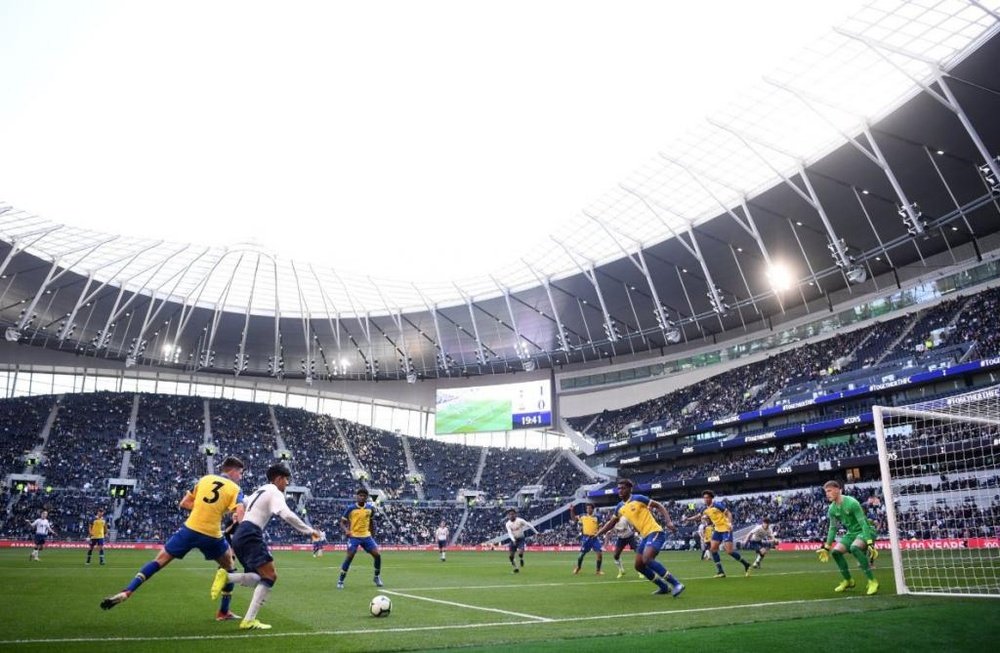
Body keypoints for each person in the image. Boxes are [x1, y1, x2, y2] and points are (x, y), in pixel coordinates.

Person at [101, 456, 246, 621]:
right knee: (229, 568)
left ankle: (128, 590)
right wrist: (242, 528)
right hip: (212, 534)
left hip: (190, 529)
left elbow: (184, 503)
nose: (240, 477)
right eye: (240, 473)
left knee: (158, 561)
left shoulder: (205, 479)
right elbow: (240, 512)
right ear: (232, 471)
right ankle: (223, 612)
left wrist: (204, 507)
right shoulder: (235, 489)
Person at [210, 464, 321, 631]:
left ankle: (228, 578)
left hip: (240, 535)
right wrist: (310, 531)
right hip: (251, 533)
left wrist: (231, 514)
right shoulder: (274, 492)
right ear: (278, 479)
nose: (287, 484)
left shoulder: (259, 490)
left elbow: (241, 504)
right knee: (270, 576)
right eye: (286, 480)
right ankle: (248, 618)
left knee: (257, 576)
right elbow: (286, 514)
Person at [595, 479, 684, 596]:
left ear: (629, 489)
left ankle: (676, 584)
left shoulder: (639, 498)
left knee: (647, 559)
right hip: (645, 536)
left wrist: (668, 522)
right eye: (619, 489)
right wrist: (598, 533)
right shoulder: (620, 507)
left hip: (655, 532)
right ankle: (663, 587)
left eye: (623, 488)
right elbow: (611, 523)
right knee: (639, 566)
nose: (620, 491)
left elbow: (658, 505)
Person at [816, 480, 878, 595]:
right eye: (826, 492)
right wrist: (826, 547)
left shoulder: (852, 503)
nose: (827, 494)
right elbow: (833, 528)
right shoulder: (832, 509)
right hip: (852, 533)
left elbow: (863, 523)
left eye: (829, 491)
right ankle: (848, 580)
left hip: (866, 530)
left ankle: (872, 581)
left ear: (837, 490)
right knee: (836, 552)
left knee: (855, 548)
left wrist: (869, 542)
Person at [683, 490, 750, 578]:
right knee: (713, 549)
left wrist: (730, 523)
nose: (705, 499)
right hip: (718, 530)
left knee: (729, 551)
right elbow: (698, 516)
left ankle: (746, 564)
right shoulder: (705, 509)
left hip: (726, 529)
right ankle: (720, 571)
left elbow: (728, 513)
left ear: (711, 498)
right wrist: (687, 519)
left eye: (707, 497)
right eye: (704, 498)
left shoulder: (717, 505)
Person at [337, 488, 382, 589]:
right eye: (360, 495)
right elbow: (342, 522)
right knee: (350, 556)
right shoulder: (351, 508)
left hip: (366, 536)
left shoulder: (370, 509)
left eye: (364, 496)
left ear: (366, 497)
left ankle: (376, 577)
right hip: (354, 536)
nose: (362, 497)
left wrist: (372, 535)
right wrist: (346, 530)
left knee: (377, 555)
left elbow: (371, 522)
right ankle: (341, 580)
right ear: (357, 496)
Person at [570, 504, 604, 575]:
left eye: (589, 508)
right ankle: (578, 568)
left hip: (594, 538)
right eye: (587, 508)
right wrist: (572, 510)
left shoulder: (597, 517)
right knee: (581, 555)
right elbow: (574, 519)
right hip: (586, 538)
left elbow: (601, 527)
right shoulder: (583, 516)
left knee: (599, 554)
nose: (588, 510)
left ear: (592, 509)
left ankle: (598, 571)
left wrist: (598, 533)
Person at [504, 508, 538, 573]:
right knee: (511, 556)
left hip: (521, 538)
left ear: (515, 514)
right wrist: (513, 540)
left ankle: (521, 559)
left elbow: (529, 525)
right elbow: (509, 532)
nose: (511, 516)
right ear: (508, 516)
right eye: (510, 514)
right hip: (513, 539)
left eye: (512, 514)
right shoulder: (508, 524)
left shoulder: (520, 520)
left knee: (520, 552)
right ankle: (516, 568)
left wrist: (536, 532)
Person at [608, 513, 639, 578]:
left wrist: (637, 532)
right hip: (621, 538)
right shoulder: (612, 523)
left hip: (629, 536)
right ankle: (621, 570)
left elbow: (633, 525)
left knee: (638, 552)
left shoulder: (625, 518)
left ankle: (641, 571)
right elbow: (609, 531)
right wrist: (609, 534)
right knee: (616, 555)